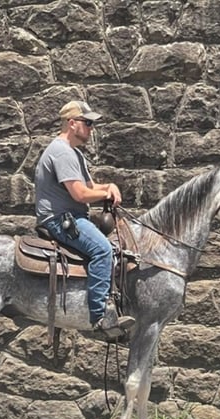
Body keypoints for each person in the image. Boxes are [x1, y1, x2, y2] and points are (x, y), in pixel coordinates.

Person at [34, 100, 135, 340]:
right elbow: (79, 194)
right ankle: (99, 317)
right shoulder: (61, 152)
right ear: (72, 124)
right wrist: (106, 193)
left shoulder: (73, 153)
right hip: (60, 219)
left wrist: (108, 186)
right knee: (102, 251)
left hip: (72, 215)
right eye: (87, 123)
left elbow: (89, 186)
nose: (91, 128)